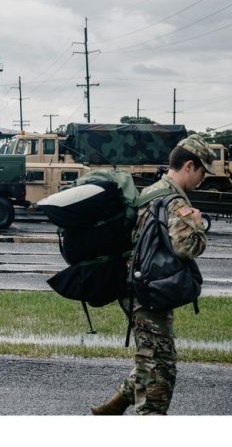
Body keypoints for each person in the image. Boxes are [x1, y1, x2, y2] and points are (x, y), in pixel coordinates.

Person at [91, 134, 215, 415]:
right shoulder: (175, 203)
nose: (203, 179)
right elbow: (186, 248)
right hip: (147, 293)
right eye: (202, 171)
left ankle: (115, 405)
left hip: (135, 288)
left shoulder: (151, 191)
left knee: (153, 355)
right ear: (188, 166)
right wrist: (197, 225)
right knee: (160, 371)